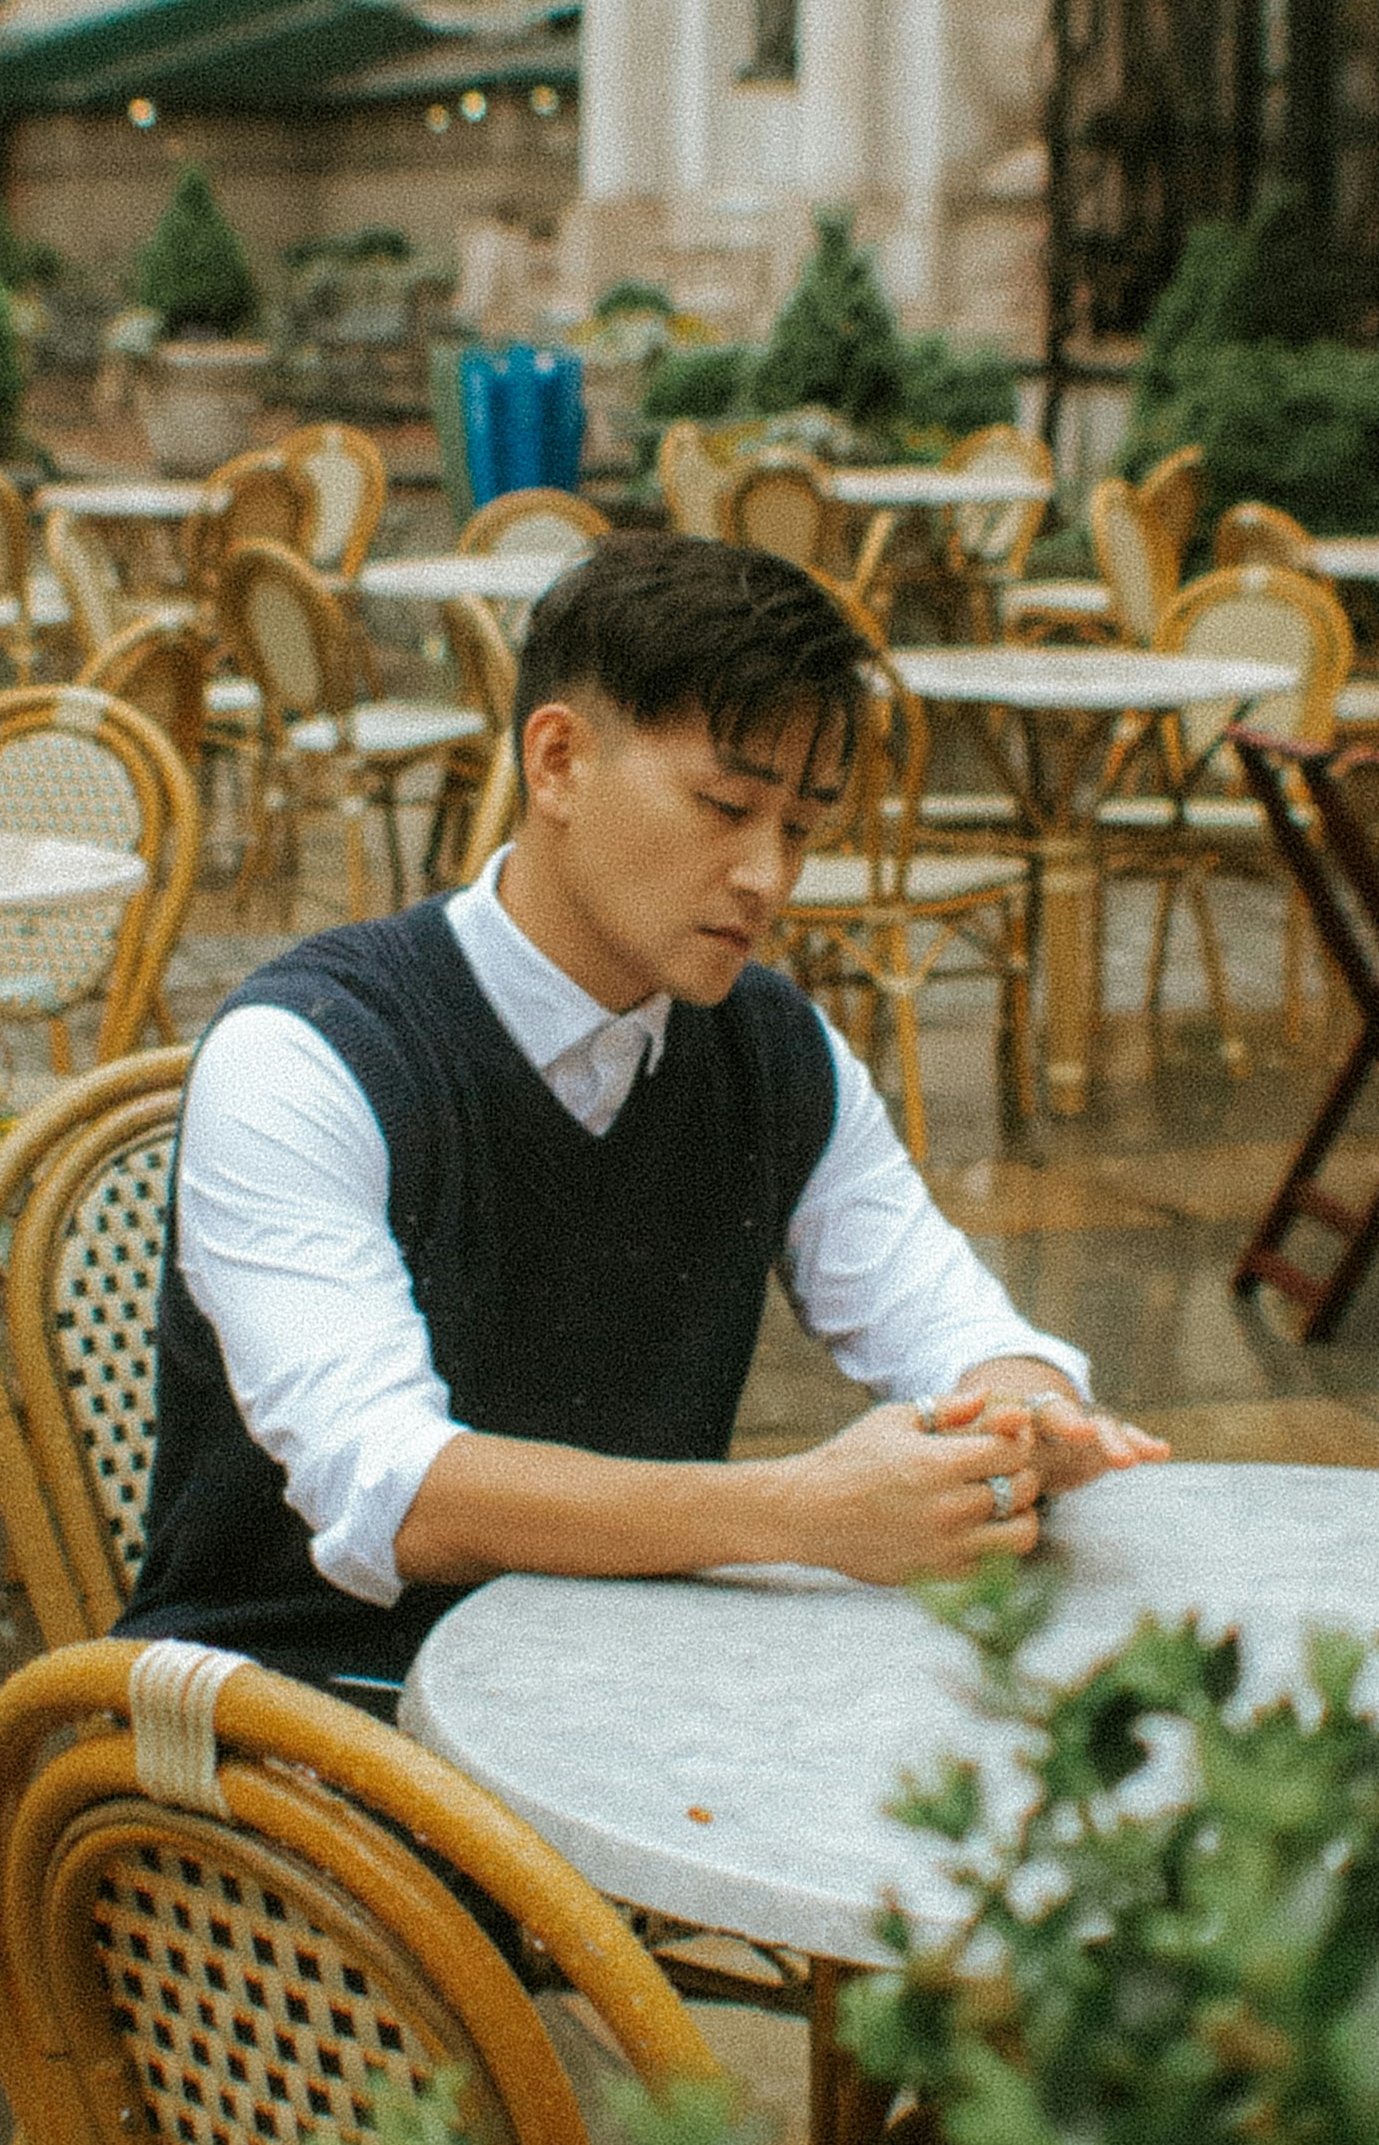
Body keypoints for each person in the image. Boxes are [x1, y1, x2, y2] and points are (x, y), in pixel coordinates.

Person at [129, 528, 1163, 1692]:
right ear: (558, 762)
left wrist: (1033, 1418)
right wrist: (798, 1511)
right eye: (728, 806)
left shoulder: (774, 1050)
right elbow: (394, 1491)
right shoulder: (311, 1055)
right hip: (299, 1735)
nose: (769, 877)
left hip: (616, 1699)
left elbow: (947, 1319)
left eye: (803, 831)